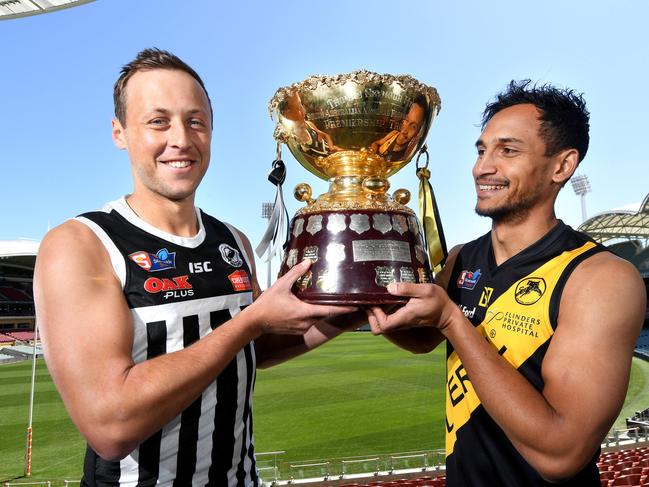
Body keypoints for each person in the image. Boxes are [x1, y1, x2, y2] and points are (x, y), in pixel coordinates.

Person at [33, 48, 358, 486]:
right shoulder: (81, 244)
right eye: (158, 121)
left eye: (196, 121)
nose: (181, 139)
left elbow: (251, 351)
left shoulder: (233, 240)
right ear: (120, 132)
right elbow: (109, 426)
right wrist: (250, 322)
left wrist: (345, 312)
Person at [367, 80, 646, 486]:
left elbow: (562, 455)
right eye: (482, 150)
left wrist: (452, 321)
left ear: (562, 166)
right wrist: (359, 294)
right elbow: (422, 337)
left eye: (508, 150)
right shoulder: (463, 257)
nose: (483, 167)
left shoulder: (600, 277)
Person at [370, 97, 426, 162]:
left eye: (413, 126)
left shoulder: (406, 155)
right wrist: (373, 154)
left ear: (419, 132)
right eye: (406, 120)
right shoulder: (394, 134)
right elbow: (376, 143)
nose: (405, 131)